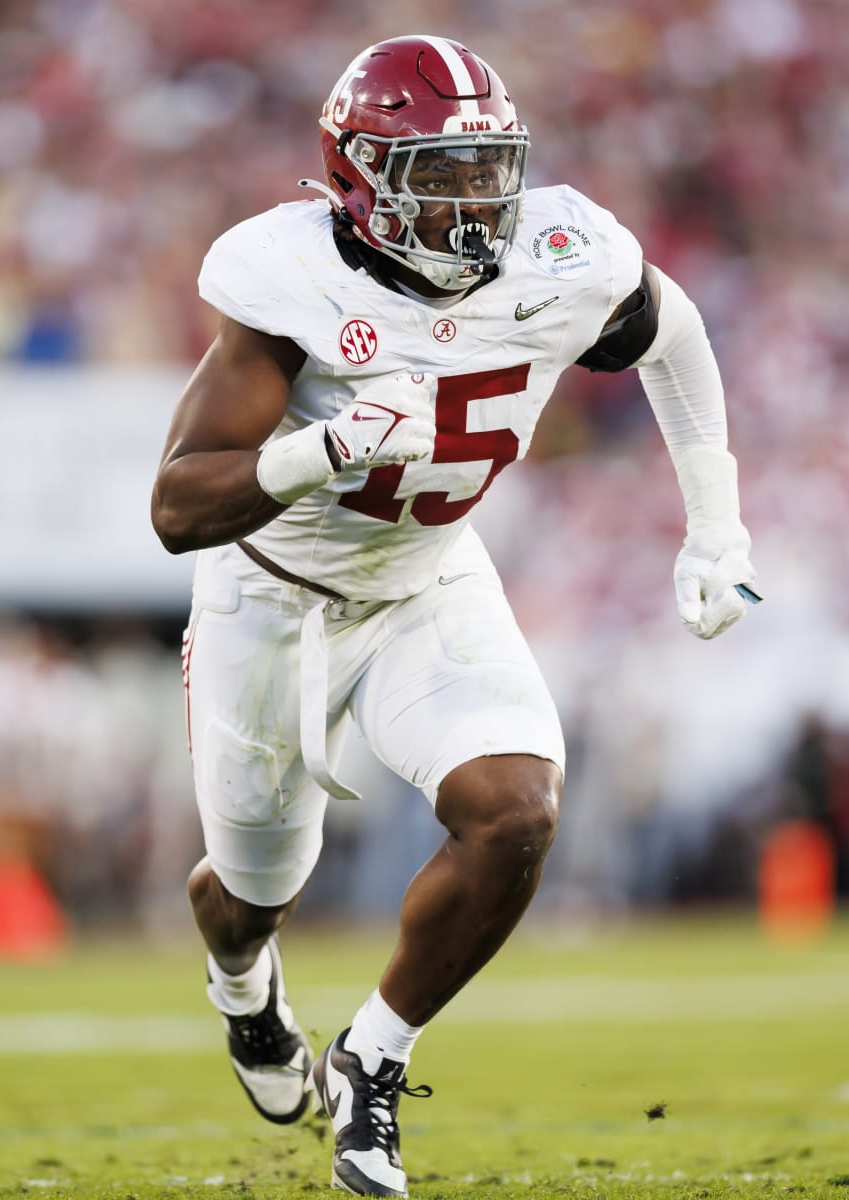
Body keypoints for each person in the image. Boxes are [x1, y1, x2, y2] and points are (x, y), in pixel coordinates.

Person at [150, 35, 757, 1197]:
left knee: (517, 808)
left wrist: (716, 524)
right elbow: (178, 508)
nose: (480, 203)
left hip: (427, 572)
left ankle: (373, 1061)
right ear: (361, 179)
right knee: (254, 888)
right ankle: (244, 987)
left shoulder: (563, 253)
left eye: (491, 169)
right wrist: (319, 453)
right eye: (443, 174)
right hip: (270, 592)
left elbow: (670, 336)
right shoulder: (289, 282)